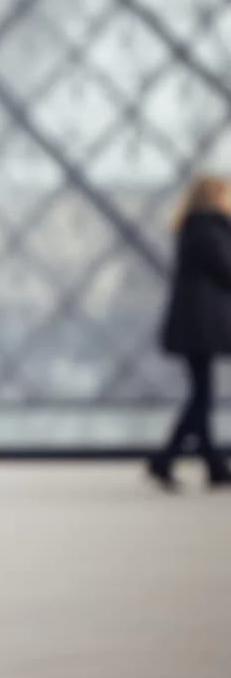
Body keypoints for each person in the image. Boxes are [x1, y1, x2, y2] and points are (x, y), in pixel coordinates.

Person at [148, 174, 231, 490]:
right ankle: (169, 459)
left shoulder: (194, 226)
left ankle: (209, 465)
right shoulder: (210, 228)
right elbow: (227, 270)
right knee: (201, 397)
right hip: (202, 325)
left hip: (193, 323)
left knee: (201, 395)